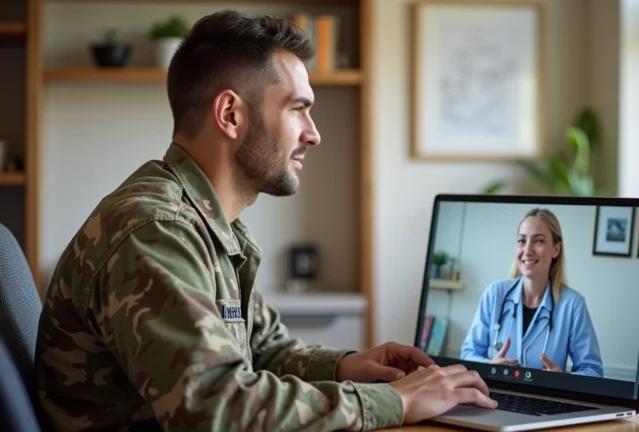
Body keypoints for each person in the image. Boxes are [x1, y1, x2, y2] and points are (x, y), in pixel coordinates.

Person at [33, 10, 497, 432]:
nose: (313, 134)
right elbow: (218, 408)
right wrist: (391, 400)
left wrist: (349, 366)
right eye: (298, 108)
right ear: (231, 114)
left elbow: (264, 351)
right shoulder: (156, 232)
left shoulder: (211, 225)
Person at [459, 208, 604, 377]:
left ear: (556, 250)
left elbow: (593, 370)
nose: (527, 250)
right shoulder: (494, 294)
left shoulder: (573, 305)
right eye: (522, 240)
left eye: (539, 241)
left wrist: (563, 380)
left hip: (546, 399)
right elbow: (468, 355)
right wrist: (491, 366)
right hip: (491, 395)